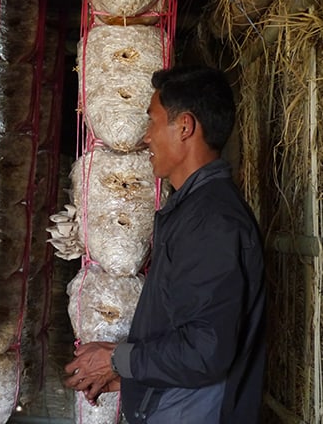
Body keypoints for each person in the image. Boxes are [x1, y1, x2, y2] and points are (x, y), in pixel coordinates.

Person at [63, 66, 266, 423]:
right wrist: (131, 375)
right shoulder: (192, 211)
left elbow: (205, 352)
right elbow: (182, 326)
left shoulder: (212, 223)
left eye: (153, 122)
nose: (145, 138)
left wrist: (117, 359)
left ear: (185, 127)